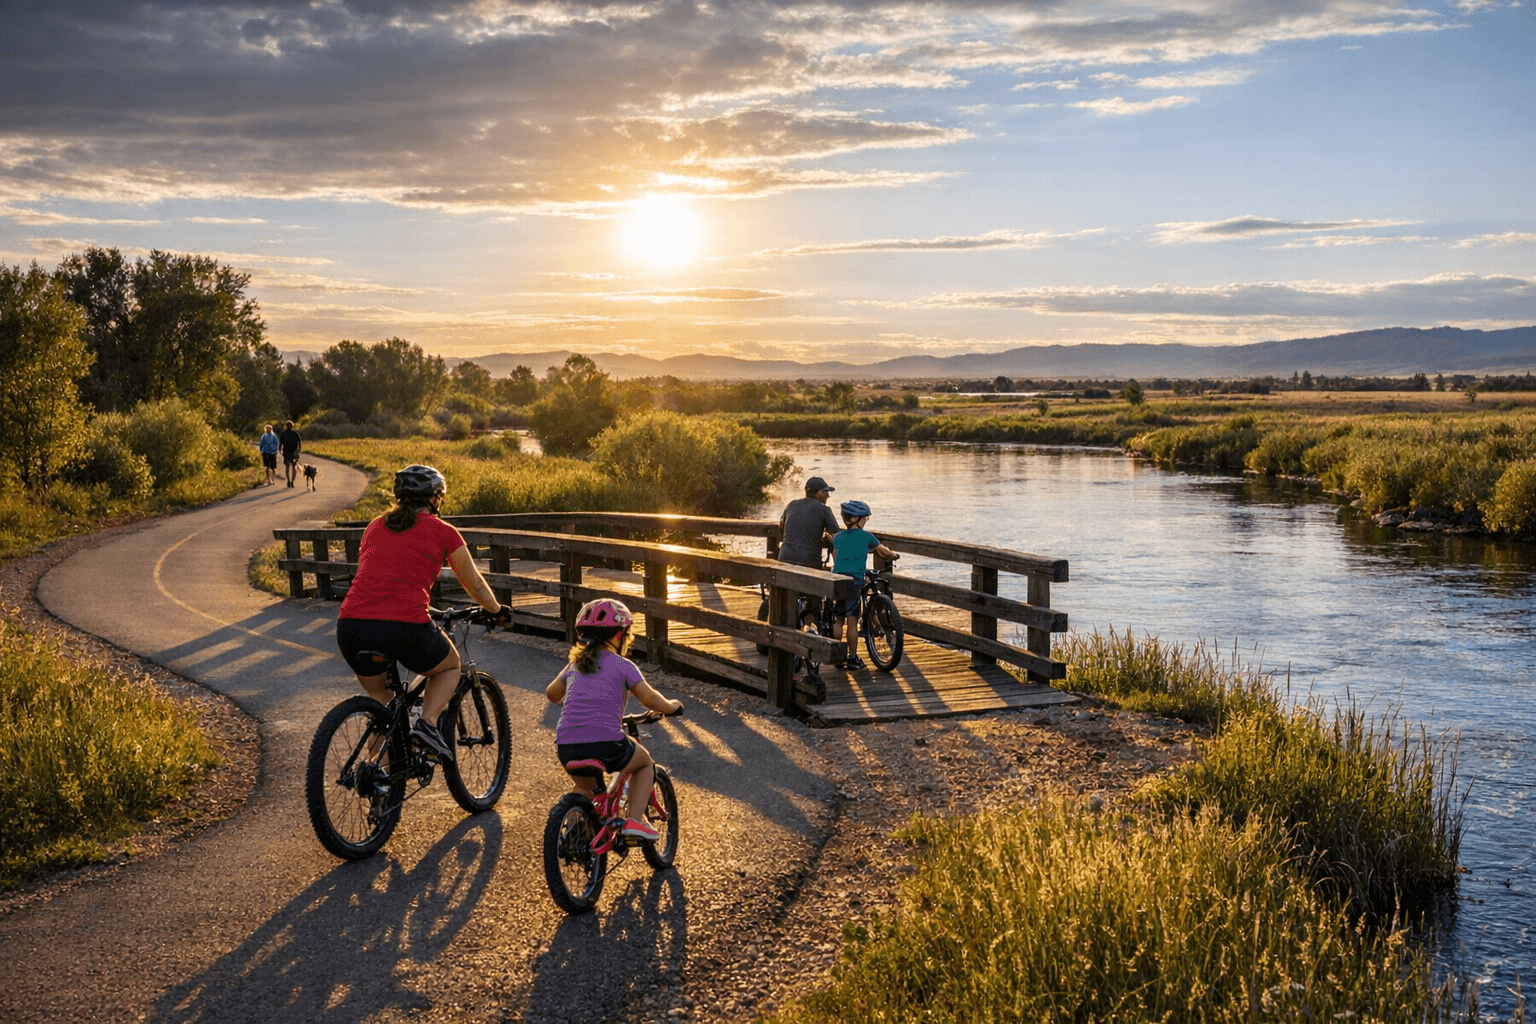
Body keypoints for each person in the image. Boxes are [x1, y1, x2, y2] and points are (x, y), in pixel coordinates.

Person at [335, 464, 511, 761]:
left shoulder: (375, 526)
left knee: (381, 701)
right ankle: (428, 726)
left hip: (351, 625)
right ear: (436, 498)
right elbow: (476, 585)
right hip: (402, 626)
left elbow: (381, 575)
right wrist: (497, 611)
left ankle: (378, 780)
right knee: (450, 666)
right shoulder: (443, 531)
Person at [545, 598, 683, 842]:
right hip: (605, 741)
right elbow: (650, 700)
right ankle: (634, 821)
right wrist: (671, 707)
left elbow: (552, 694)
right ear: (618, 636)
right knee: (644, 763)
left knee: (585, 789)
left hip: (566, 744)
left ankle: (575, 836)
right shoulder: (623, 665)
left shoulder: (575, 663)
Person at [831, 499, 898, 671]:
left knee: (838, 619)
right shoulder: (866, 536)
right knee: (852, 621)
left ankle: (836, 656)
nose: (866, 521)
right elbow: (883, 552)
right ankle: (852, 658)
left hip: (837, 579)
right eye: (865, 518)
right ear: (856, 519)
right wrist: (893, 555)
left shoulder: (838, 537)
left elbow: (836, 556)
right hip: (854, 580)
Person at [278, 420, 302, 487]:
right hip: (294, 452)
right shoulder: (295, 433)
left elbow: (280, 443)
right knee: (294, 466)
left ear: (286, 426)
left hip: (286, 452)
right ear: (292, 426)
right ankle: (292, 481)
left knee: (287, 466)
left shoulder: (283, 433)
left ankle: (288, 480)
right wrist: (299, 450)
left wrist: (280, 450)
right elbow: (299, 443)